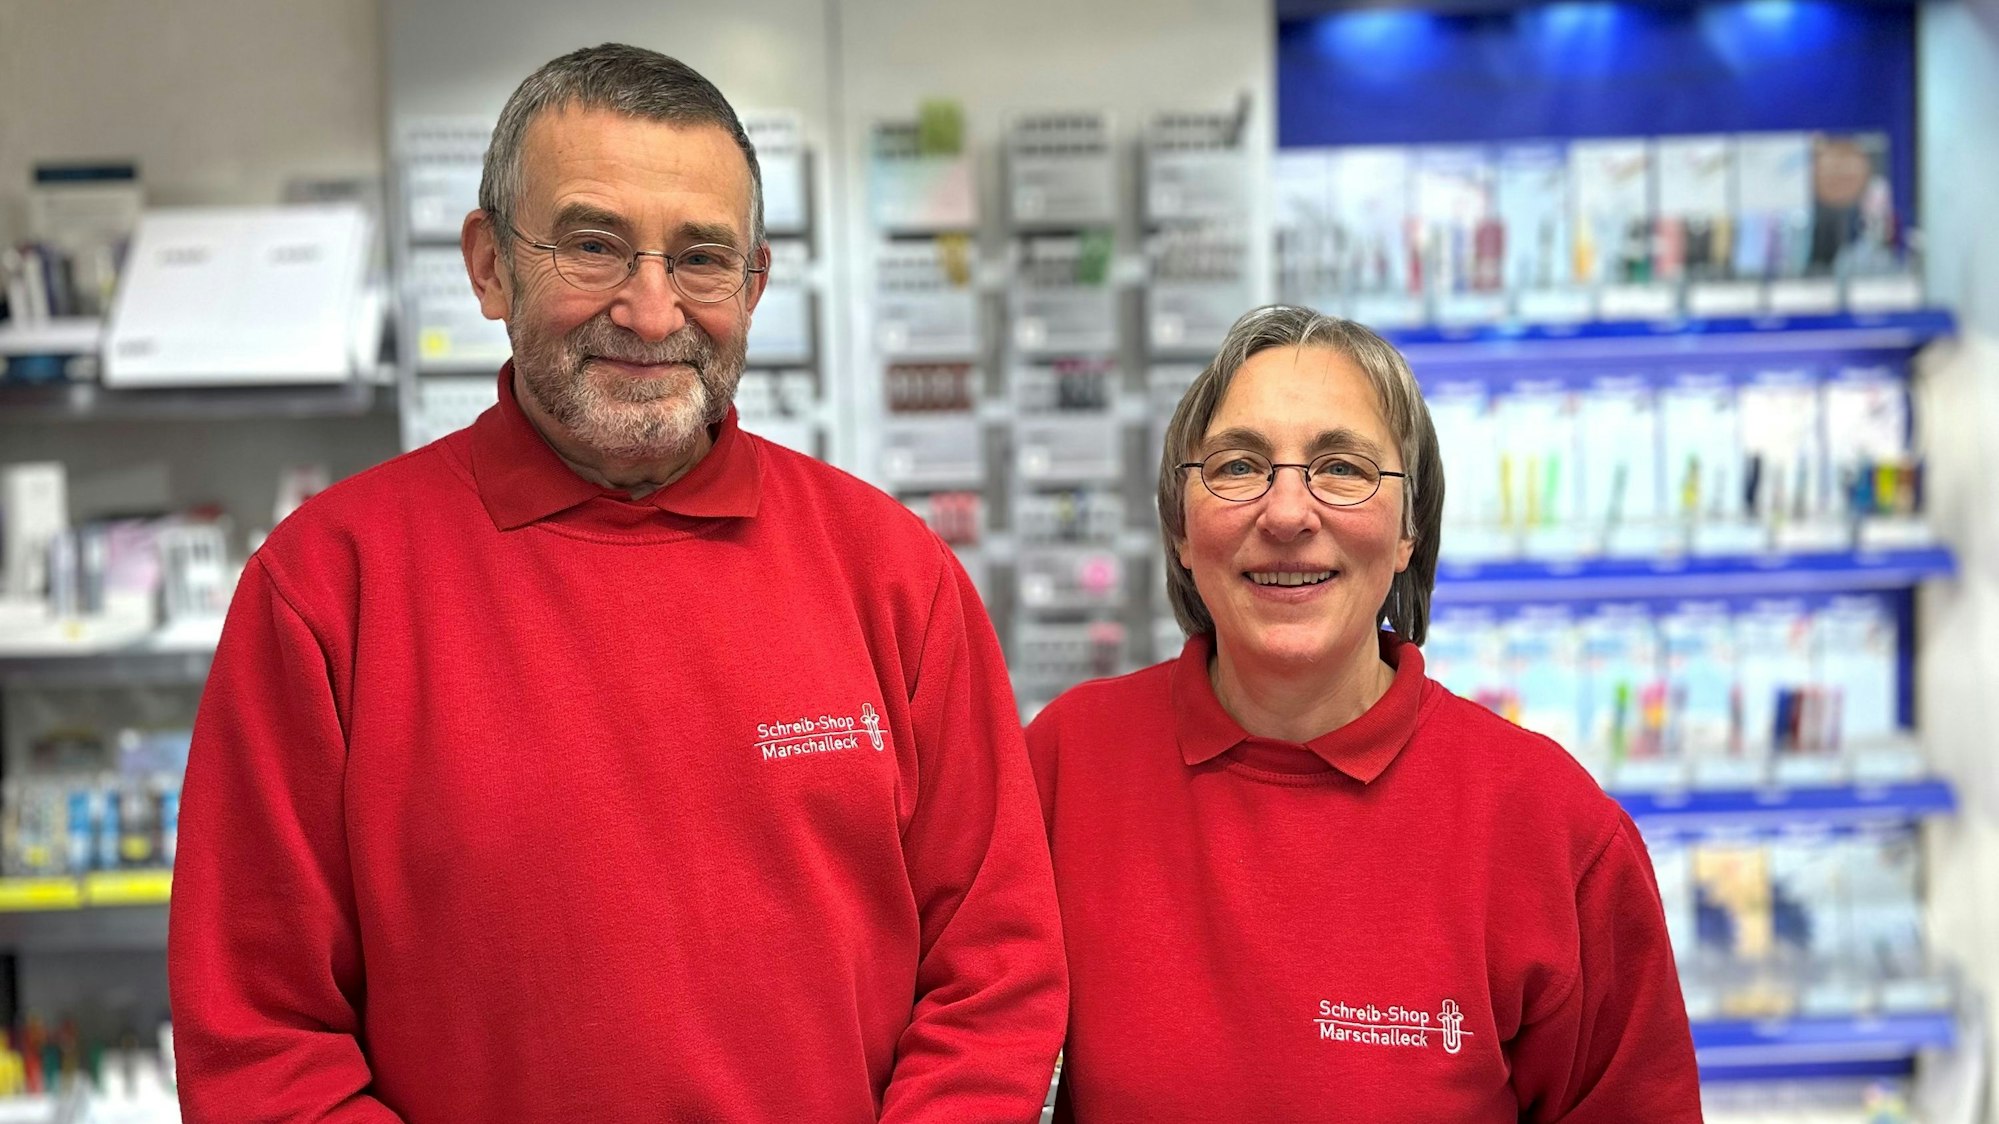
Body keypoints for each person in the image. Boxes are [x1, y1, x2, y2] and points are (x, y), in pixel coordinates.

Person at [168, 44, 1066, 1123]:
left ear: (753, 285)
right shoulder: (326, 590)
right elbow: (262, 1046)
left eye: (700, 258)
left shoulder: (894, 577)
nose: (650, 311)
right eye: (593, 247)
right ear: (490, 266)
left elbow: (993, 975)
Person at [1026, 306, 1700, 1122]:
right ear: (1180, 529)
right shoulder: (1065, 765)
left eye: (1341, 467)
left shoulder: (1549, 827)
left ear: (1409, 528)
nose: (1286, 514)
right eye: (1238, 465)